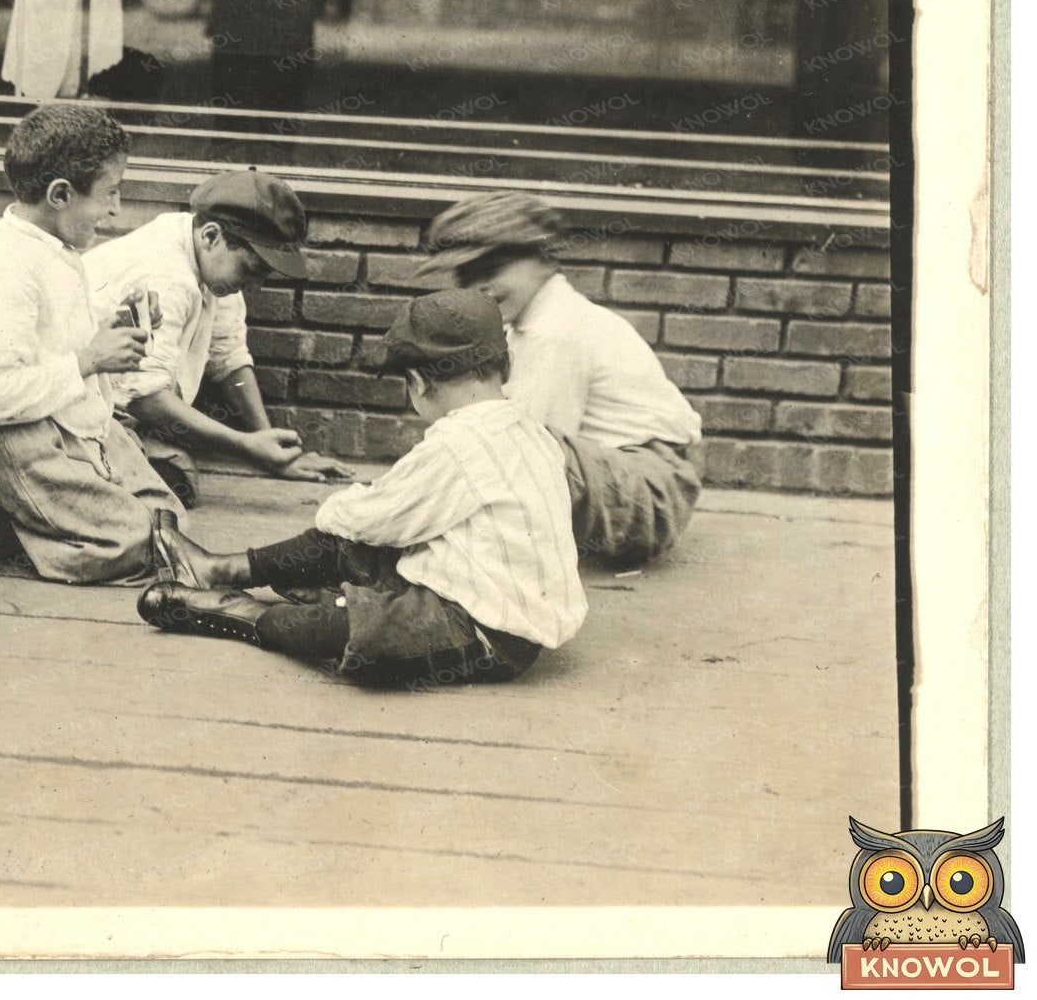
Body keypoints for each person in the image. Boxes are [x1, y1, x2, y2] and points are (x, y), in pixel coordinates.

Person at [137, 289, 585, 689]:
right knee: (362, 557)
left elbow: (368, 519)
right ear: (505, 366)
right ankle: (218, 567)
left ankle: (238, 610)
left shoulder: (459, 444)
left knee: (362, 627)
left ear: (418, 383)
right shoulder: (530, 430)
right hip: (499, 607)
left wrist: (344, 508)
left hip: (486, 631)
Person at [0, 103, 184, 584]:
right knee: (135, 541)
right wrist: (90, 360)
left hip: (65, 415)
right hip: (13, 432)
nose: (116, 209)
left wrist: (119, 318)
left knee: (169, 522)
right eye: (110, 193)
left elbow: (62, 331)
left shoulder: (54, 246)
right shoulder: (10, 265)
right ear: (60, 194)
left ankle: (39, 513)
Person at [418, 190, 705, 568]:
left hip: (647, 494)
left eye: (492, 269)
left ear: (543, 259)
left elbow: (528, 442)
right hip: (631, 482)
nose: (478, 287)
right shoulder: (534, 323)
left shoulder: (556, 329)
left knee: (508, 437)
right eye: (464, 275)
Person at [85, 167, 356, 504]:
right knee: (174, 481)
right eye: (251, 270)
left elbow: (228, 358)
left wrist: (271, 446)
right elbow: (145, 398)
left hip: (126, 411)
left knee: (173, 473)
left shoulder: (206, 255)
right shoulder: (167, 275)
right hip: (83, 411)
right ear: (212, 236)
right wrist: (247, 447)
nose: (254, 287)